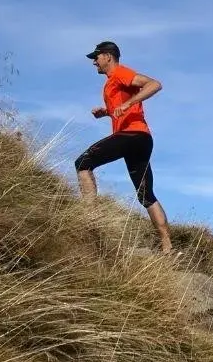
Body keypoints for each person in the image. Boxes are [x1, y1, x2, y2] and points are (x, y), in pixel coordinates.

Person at [74, 40, 174, 253]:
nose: (94, 62)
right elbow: (121, 108)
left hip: (132, 135)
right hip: (141, 138)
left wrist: (128, 103)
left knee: (83, 163)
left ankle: (89, 220)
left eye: (96, 57)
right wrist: (107, 112)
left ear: (108, 56)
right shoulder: (111, 83)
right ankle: (168, 248)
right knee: (146, 196)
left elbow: (155, 84)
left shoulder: (120, 73)